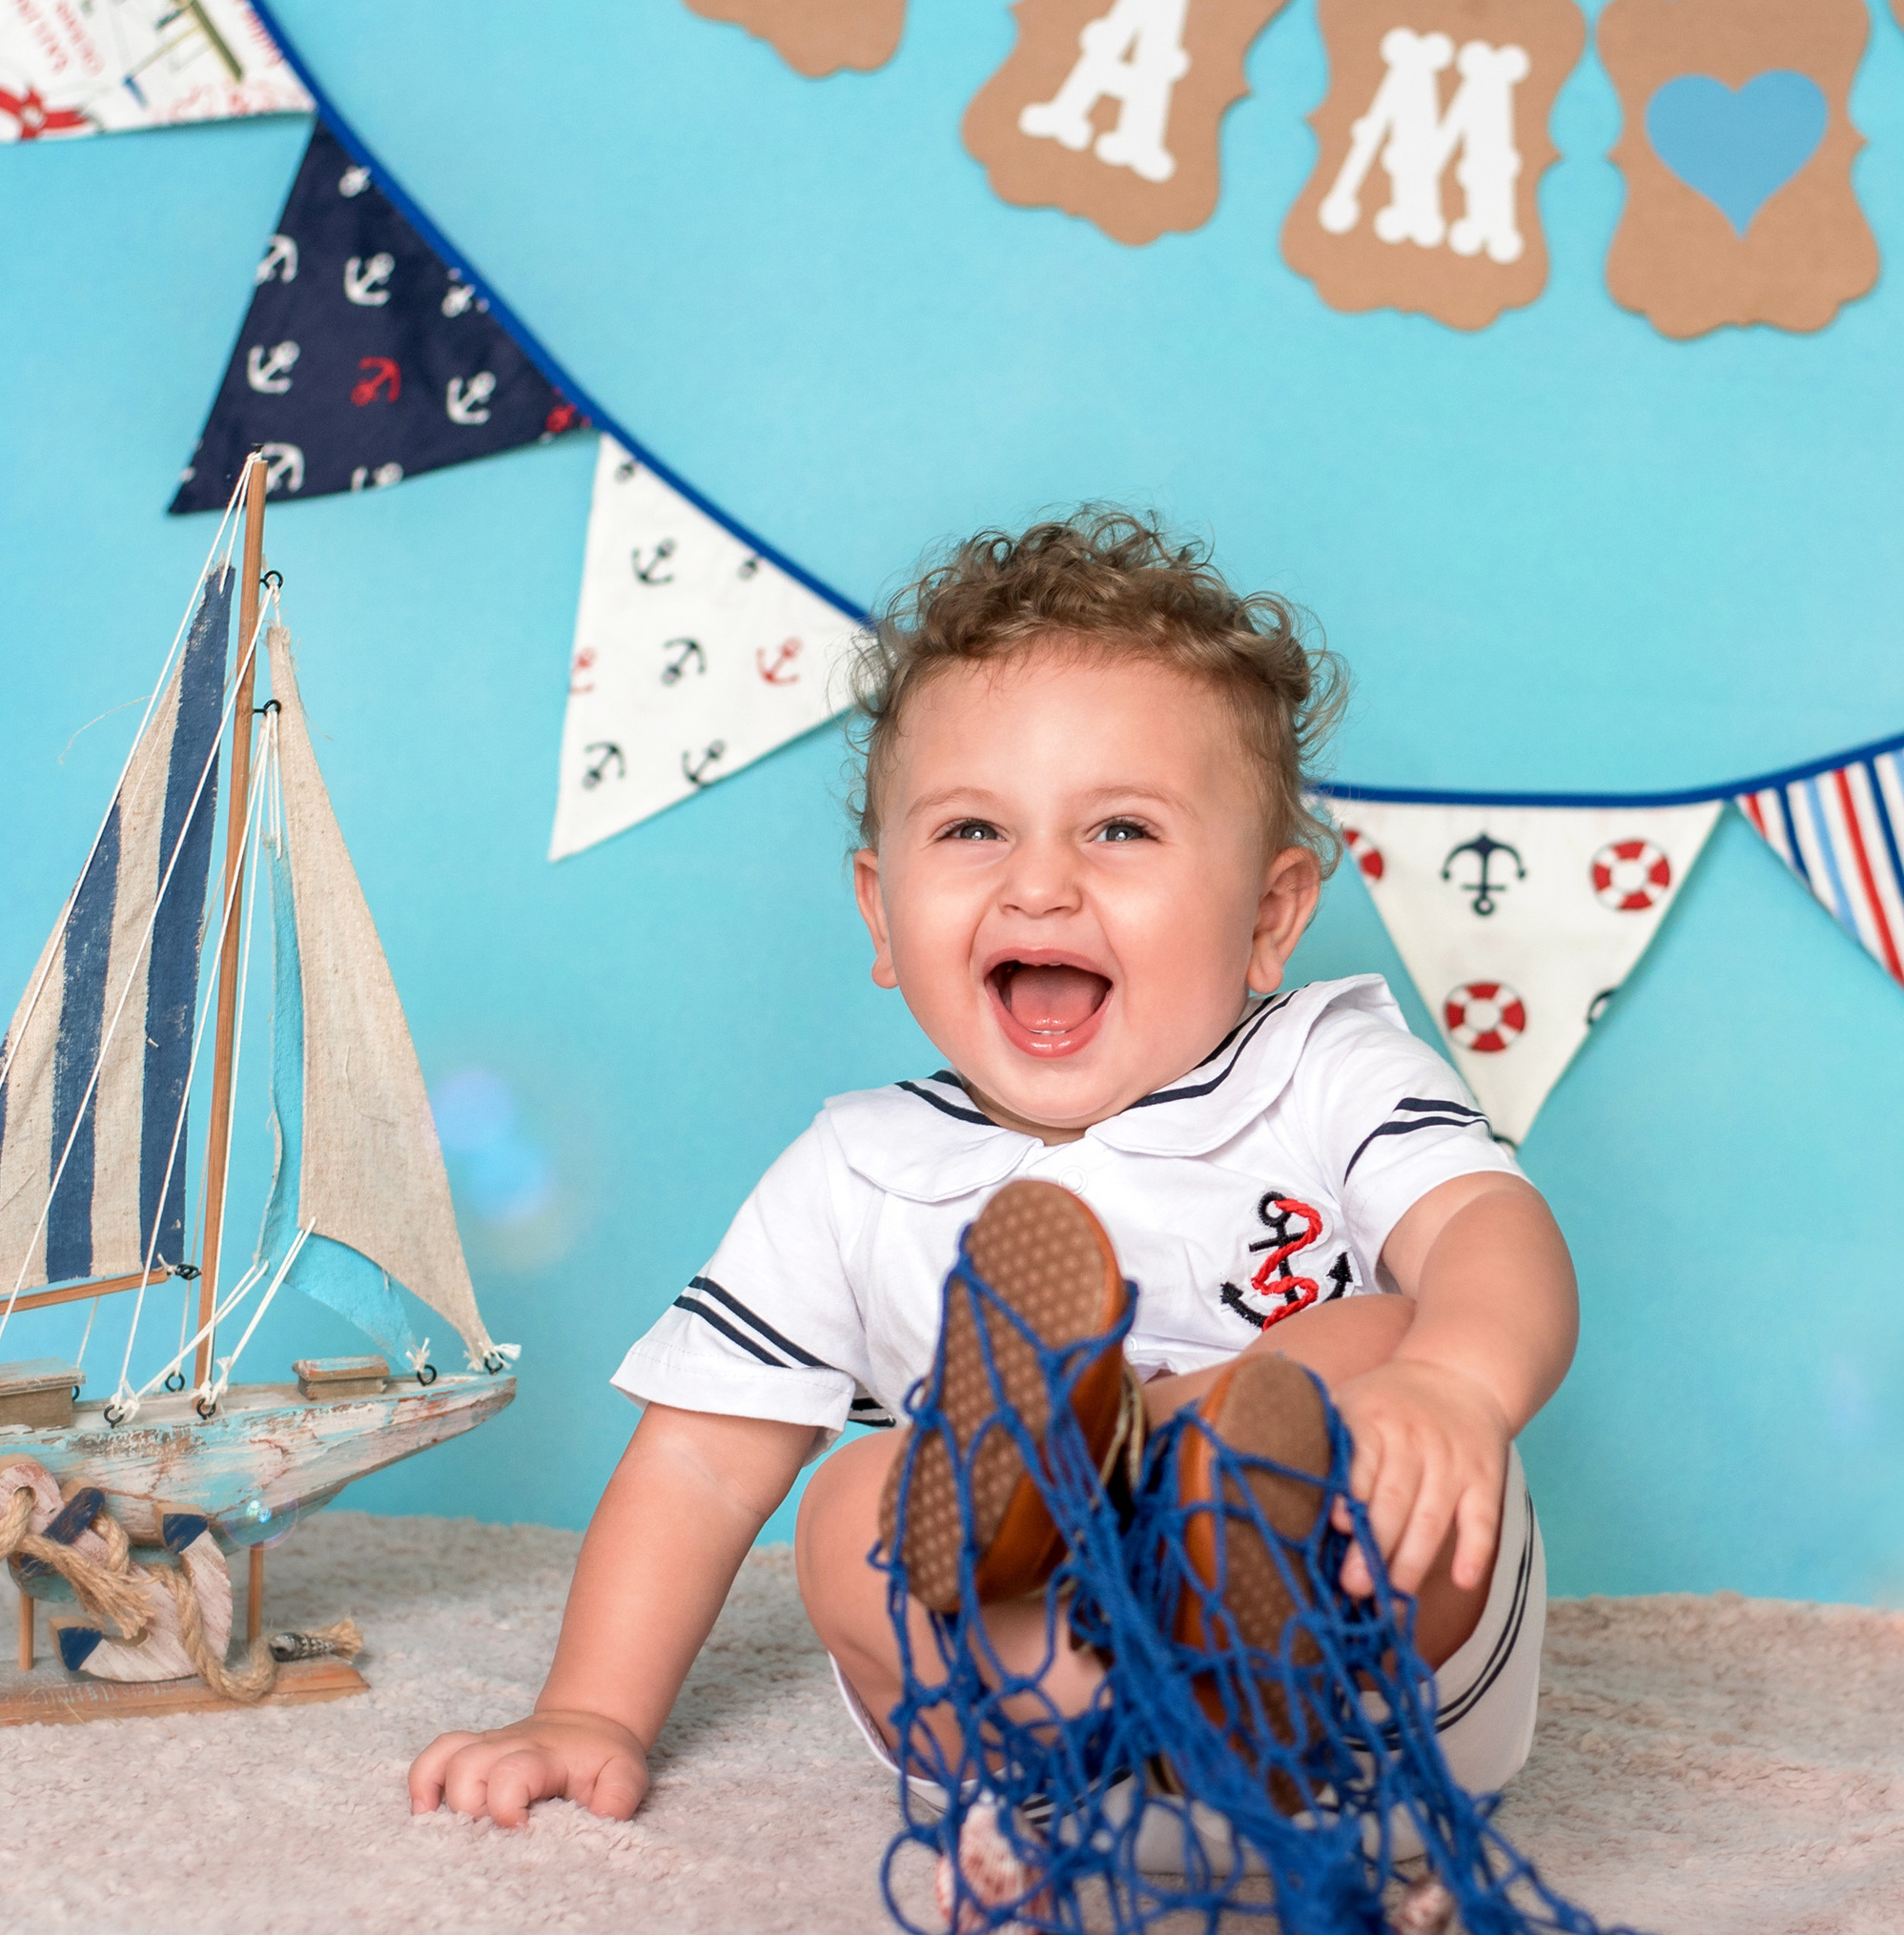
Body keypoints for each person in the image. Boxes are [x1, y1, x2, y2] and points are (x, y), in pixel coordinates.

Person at [409, 511, 1579, 1832]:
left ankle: (1211, 1548)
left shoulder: (1323, 1068)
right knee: (853, 1499)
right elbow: (701, 1466)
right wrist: (589, 1711)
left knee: (1374, 1333)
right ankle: (1091, 1674)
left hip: (1369, 1687)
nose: (1040, 888)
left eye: (1121, 832)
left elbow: (1486, 1222)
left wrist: (1451, 1382)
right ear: (880, 913)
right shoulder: (861, 1170)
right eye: (973, 831)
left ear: (1269, 917)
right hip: (1018, 1720)